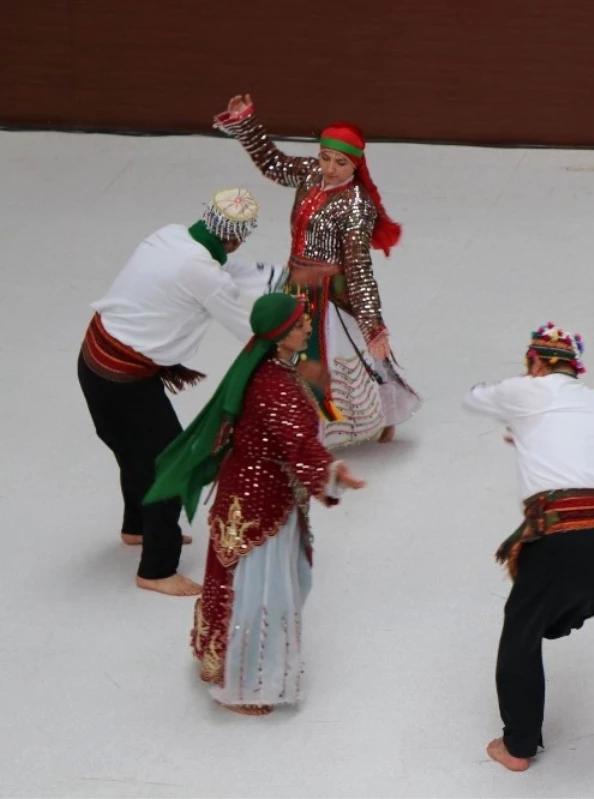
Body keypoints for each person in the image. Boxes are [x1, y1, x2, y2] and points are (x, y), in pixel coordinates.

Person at [145, 293, 365, 715]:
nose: (307, 329)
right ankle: (244, 685)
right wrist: (334, 475)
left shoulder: (266, 368)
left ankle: (226, 663)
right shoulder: (276, 386)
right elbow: (298, 444)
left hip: (249, 495)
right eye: (300, 325)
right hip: (261, 503)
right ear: (281, 336)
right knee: (260, 589)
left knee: (247, 582)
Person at [463, 323, 594, 771]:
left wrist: (512, 409)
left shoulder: (528, 389)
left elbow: (475, 397)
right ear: (575, 368)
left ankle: (517, 746)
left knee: (521, 630)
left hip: (562, 536)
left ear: (536, 362)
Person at [78, 188, 274, 597]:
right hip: (124, 380)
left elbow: (223, 273)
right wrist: (288, 331)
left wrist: (281, 274)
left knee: (132, 453)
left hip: (94, 361)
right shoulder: (203, 272)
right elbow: (249, 326)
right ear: (238, 236)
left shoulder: (171, 235)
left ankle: (136, 527)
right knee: (170, 465)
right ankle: (157, 567)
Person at [214, 93, 421, 449]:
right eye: (325, 157)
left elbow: (359, 268)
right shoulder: (310, 174)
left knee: (346, 355)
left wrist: (372, 323)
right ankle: (300, 420)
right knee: (290, 353)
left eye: (340, 162)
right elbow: (273, 163)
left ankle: (375, 415)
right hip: (295, 283)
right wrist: (246, 123)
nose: (329, 168)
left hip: (331, 294)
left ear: (356, 166)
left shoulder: (357, 207)